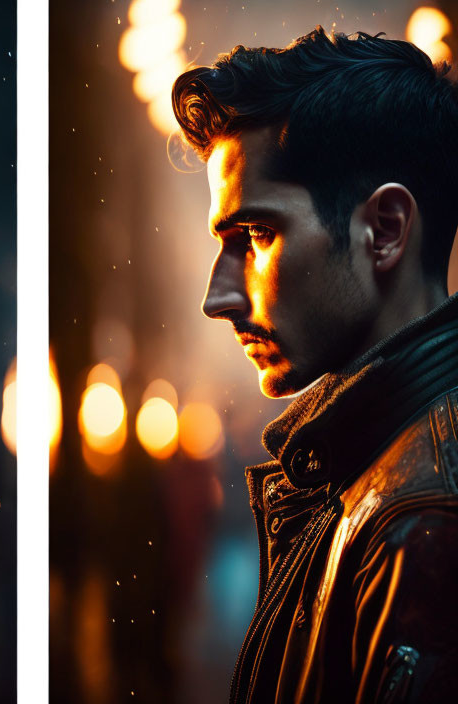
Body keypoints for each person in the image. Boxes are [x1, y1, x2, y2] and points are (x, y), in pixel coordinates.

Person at [173, 27, 458, 703]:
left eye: (256, 235)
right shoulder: (373, 478)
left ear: (384, 229)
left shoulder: (423, 525)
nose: (218, 297)